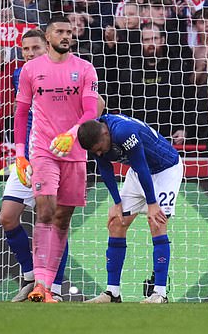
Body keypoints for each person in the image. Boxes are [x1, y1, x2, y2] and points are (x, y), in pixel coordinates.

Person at [13, 15, 100, 303]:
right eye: (60, 31)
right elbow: (22, 112)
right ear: (48, 37)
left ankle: (48, 287)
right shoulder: (31, 70)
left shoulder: (85, 69)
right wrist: (20, 154)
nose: (66, 36)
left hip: (74, 152)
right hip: (43, 150)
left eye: (69, 32)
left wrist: (73, 133)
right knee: (45, 209)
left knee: (63, 219)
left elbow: (91, 111)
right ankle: (39, 283)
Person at [78, 114, 184, 304]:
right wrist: (116, 202)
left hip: (165, 169)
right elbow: (105, 168)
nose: (100, 153)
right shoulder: (93, 137)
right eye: (96, 152)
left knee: (156, 222)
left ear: (105, 132)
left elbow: (142, 165)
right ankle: (113, 293)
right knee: (116, 224)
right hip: (138, 173)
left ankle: (160, 293)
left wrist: (152, 204)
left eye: (100, 149)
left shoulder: (123, 131)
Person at [1, 29, 67, 302]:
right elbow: (21, 115)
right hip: (26, 159)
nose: (29, 54)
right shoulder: (20, 75)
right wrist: (19, 153)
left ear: (47, 46)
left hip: (53, 156)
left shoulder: (66, 72)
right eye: (25, 49)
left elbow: (95, 105)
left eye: (35, 48)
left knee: (55, 220)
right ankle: (30, 276)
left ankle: (55, 287)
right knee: (7, 217)